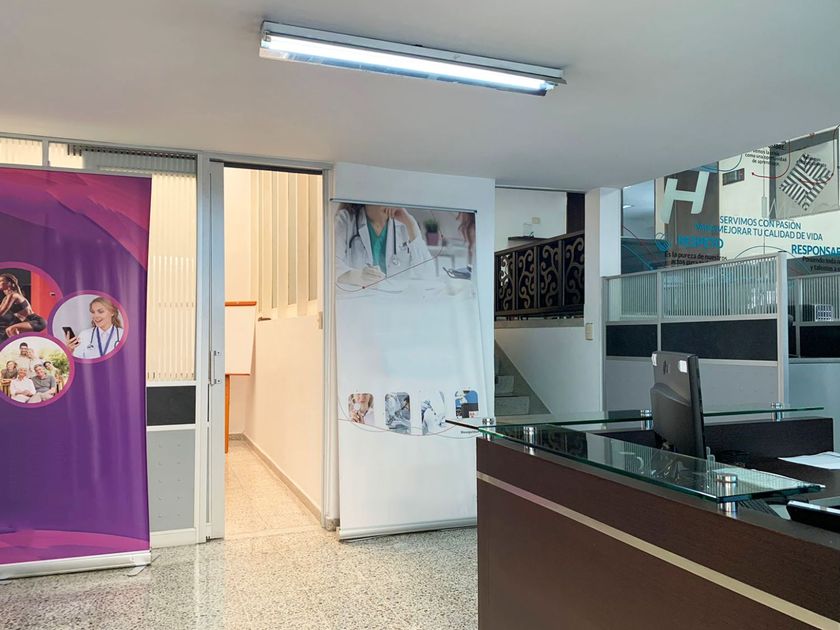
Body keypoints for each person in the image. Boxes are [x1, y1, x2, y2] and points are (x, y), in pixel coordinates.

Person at [335, 204, 432, 285]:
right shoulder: (346, 220)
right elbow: (331, 266)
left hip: (396, 300)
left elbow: (428, 274)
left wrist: (411, 224)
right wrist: (355, 276)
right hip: (360, 299)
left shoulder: (405, 223)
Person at [0, 273, 48, 339]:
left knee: (11, 330)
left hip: (37, 321)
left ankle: (17, 345)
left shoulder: (13, 295)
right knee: (8, 332)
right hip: (27, 322)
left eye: (1, 281)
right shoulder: (6, 298)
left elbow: (2, 311)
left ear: (10, 283)